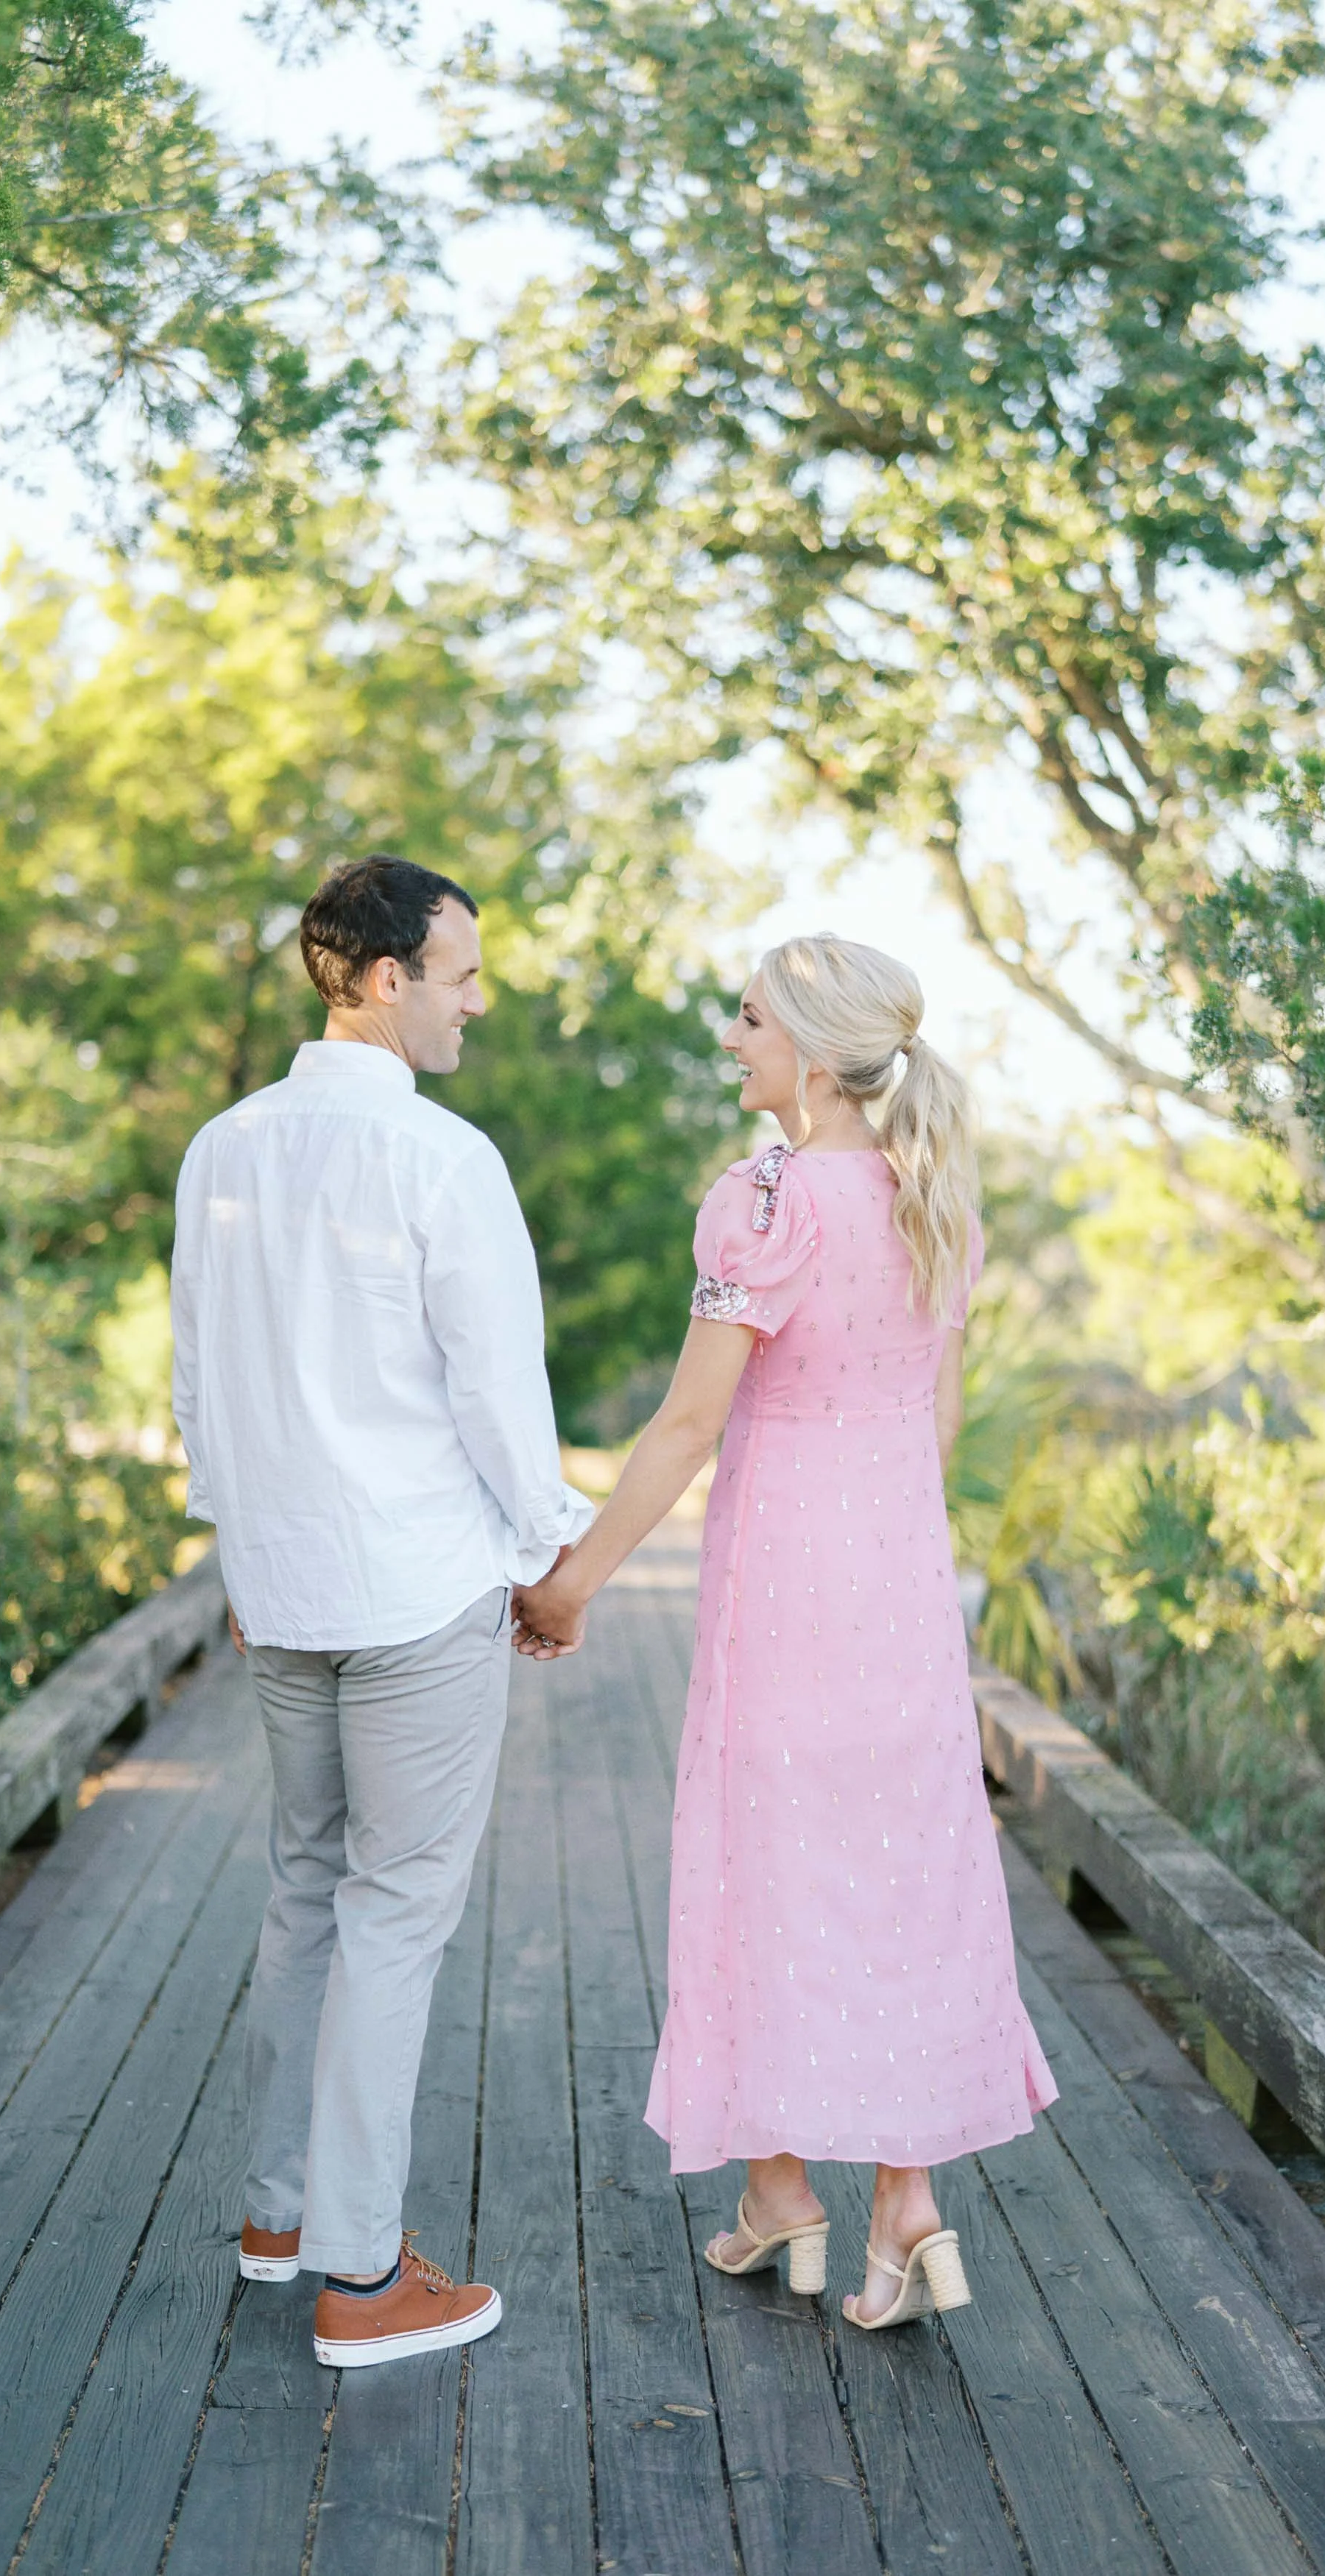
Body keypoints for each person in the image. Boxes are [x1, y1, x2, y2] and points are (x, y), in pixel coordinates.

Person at [514, 934, 1056, 2327]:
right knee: (907, 1881)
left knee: (763, 1871)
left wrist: (572, 1581)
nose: (732, 1041)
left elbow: (692, 1422)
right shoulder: (939, 1204)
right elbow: (929, 1429)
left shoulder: (765, 1202)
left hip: (786, 1593)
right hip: (905, 1600)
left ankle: (778, 2191)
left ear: (812, 1056)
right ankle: (907, 2207)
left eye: (749, 1022)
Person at [171, 852, 591, 2368]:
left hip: (282, 1591)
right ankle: (361, 2275)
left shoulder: (221, 1146)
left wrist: (239, 1552)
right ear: (387, 977)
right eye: (462, 972)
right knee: (393, 1912)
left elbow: (196, 1381)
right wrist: (553, 1555)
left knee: (307, 1887)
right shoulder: (440, 1161)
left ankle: (279, 2219)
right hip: (414, 1590)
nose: (479, 999)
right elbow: (494, 1393)